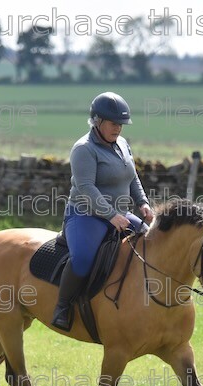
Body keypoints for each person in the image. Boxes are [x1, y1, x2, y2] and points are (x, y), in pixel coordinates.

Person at [51, 91, 155, 330]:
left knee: (150, 242)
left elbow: (132, 177)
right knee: (84, 260)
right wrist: (110, 215)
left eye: (121, 124)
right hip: (85, 214)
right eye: (112, 123)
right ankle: (62, 307)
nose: (118, 128)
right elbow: (86, 187)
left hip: (119, 214)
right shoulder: (83, 149)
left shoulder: (122, 144)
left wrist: (143, 204)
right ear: (97, 121)